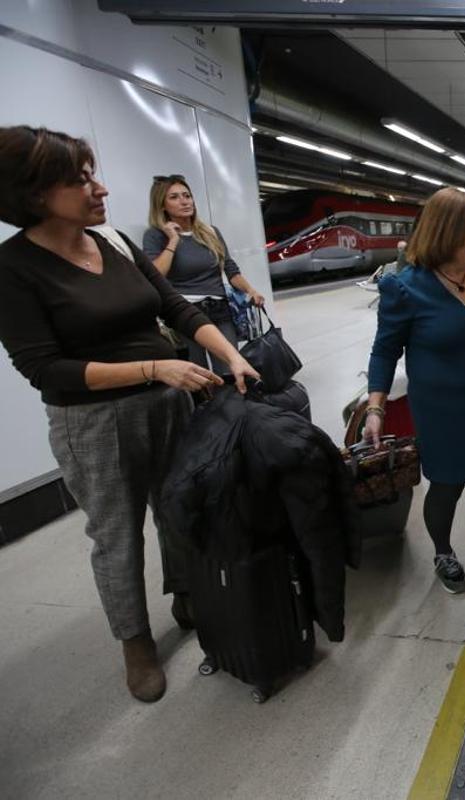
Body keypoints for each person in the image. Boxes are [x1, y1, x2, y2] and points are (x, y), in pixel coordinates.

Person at [0, 126, 260, 703]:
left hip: (167, 402)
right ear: (35, 194)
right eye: (81, 178)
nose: (101, 187)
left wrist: (232, 355)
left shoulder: (115, 243)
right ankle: (136, 643)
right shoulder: (14, 268)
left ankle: (187, 593)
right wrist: (154, 369)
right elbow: (46, 369)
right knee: (117, 535)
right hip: (93, 421)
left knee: (178, 508)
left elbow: (176, 309)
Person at [363, 187, 465, 594]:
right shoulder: (405, 288)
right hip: (443, 412)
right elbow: (384, 351)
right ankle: (442, 551)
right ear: (441, 233)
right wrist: (375, 408)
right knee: (447, 488)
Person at [143, 174, 266, 370]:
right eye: (174, 197)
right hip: (186, 312)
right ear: (162, 206)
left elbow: (230, 268)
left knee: (230, 367)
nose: (184, 201)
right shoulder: (155, 236)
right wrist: (173, 240)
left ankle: (233, 401)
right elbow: (156, 274)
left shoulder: (210, 232)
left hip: (220, 308)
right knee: (198, 372)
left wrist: (250, 290)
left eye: (187, 195)